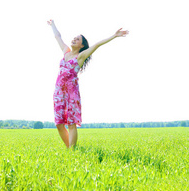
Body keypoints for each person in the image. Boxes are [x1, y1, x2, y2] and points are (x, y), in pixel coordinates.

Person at [47, 19, 129, 149]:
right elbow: (58, 36)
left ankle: (71, 152)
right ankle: (70, 148)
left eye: (77, 39)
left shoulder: (81, 56)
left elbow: (97, 45)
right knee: (59, 124)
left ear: (82, 45)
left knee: (72, 123)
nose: (74, 39)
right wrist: (52, 25)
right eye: (74, 38)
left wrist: (114, 36)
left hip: (71, 93)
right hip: (58, 93)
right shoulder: (66, 51)